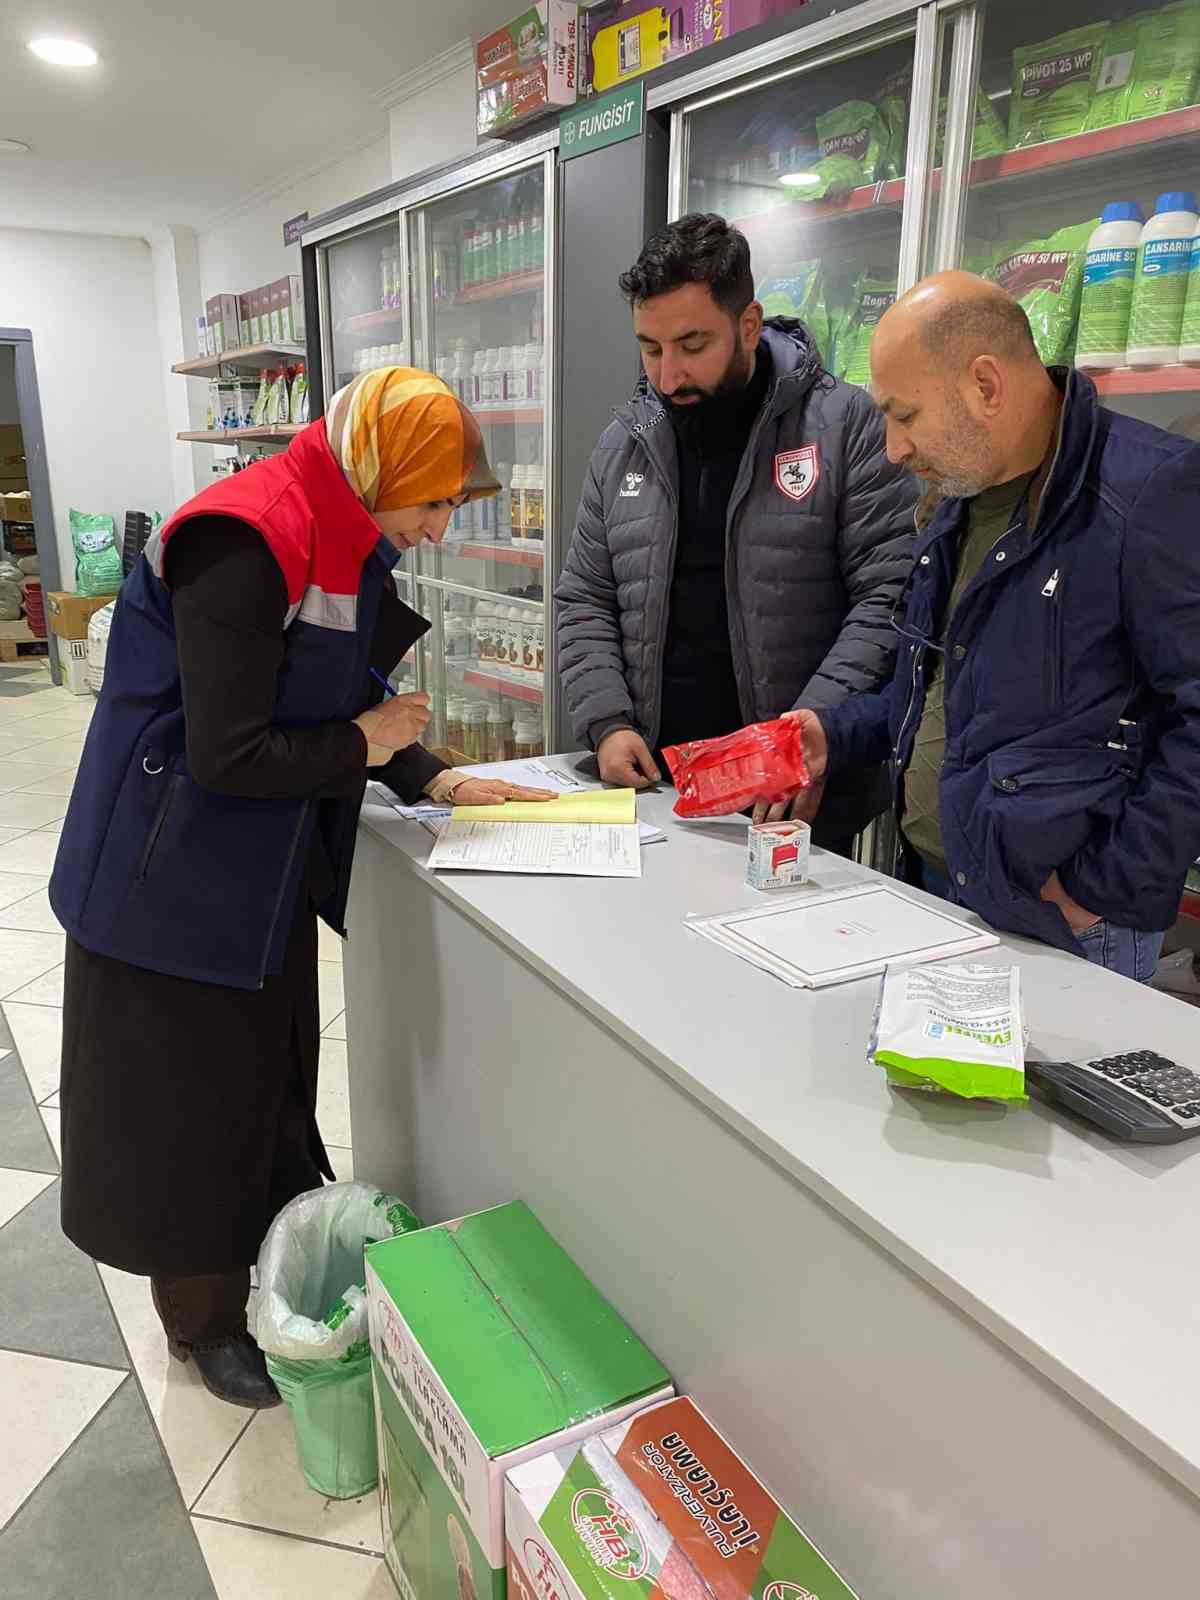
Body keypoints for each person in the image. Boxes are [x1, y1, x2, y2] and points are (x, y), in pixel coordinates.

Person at [49, 368, 554, 1407]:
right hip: (168, 880)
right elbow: (230, 750)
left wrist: (435, 772)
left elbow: (343, 689)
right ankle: (200, 1321)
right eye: (437, 501)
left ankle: (280, 1257)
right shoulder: (246, 535)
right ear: (390, 469)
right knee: (189, 1107)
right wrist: (363, 743)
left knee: (265, 1080)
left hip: (255, 868)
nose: (440, 526)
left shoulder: (346, 527)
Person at [788, 271, 1200, 977]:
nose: (892, 447)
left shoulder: (1148, 493)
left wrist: (1099, 887)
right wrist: (833, 732)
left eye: (904, 414)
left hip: (1061, 922)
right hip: (932, 889)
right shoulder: (958, 497)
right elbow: (939, 691)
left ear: (985, 384)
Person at [555, 213, 916, 849]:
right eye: (650, 347)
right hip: (658, 795)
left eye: (692, 346)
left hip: (798, 797)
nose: (668, 375)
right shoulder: (623, 446)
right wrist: (608, 722)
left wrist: (801, 740)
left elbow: (887, 599)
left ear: (748, 325)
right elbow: (585, 598)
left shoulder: (844, 426)